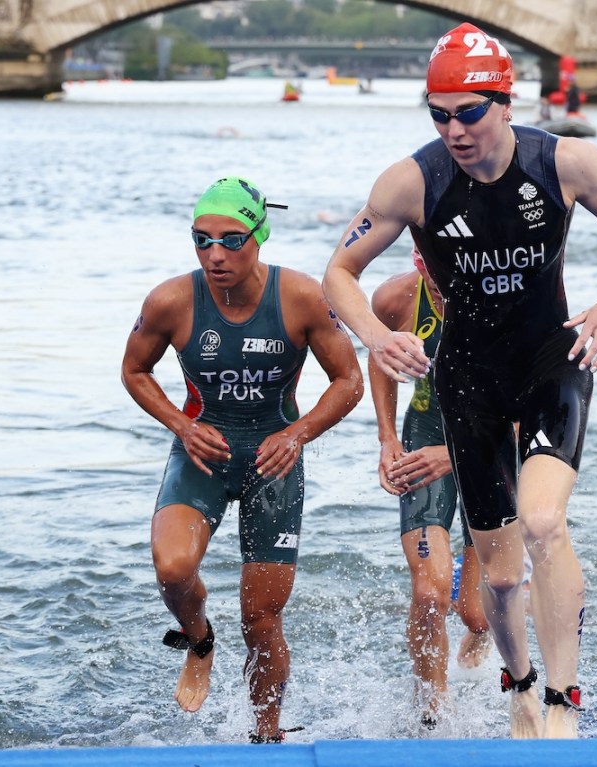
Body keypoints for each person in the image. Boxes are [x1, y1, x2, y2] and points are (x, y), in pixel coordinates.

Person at [322, 22, 597, 739]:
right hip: (468, 378)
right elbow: (338, 273)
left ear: (505, 104)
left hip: (551, 362)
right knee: (501, 577)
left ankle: (564, 700)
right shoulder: (413, 183)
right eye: (439, 114)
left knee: (544, 521)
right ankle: (519, 681)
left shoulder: (565, 164)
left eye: (469, 112)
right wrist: (376, 334)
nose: (453, 129)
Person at [121, 176, 363, 743]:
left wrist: (298, 435)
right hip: (201, 454)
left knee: (261, 619)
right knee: (173, 569)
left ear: (260, 236)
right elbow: (134, 370)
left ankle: (266, 736)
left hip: (273, 462)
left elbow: (348, 380)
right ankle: (199, 639)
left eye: (231, 240)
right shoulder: (171, 301)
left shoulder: (301, 297)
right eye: (201, 240)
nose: (214, 255)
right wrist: (181, 424)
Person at [370, 247, 491, 730]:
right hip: (425, 441)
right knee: (430, 593)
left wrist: (456, 453)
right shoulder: (396, 299)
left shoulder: (506, 302)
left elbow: (527, 413)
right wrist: (387, 437)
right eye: (431, 271)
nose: (442, 283)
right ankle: (433, 706)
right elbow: (380, 358)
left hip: (491, 451)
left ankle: (481, 633)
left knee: (477, 614)